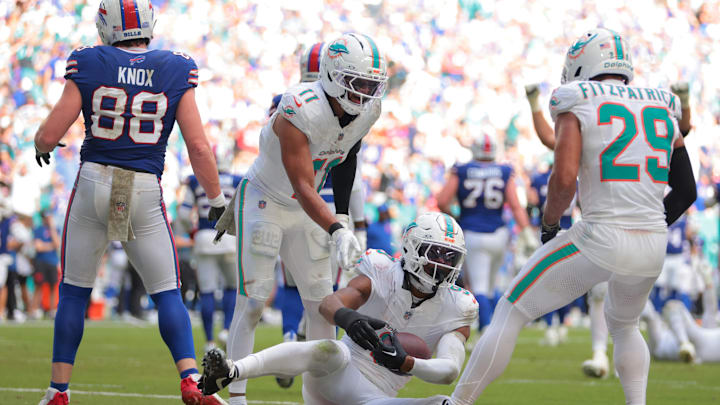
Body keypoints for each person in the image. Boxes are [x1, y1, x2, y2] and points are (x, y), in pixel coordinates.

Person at [449, 28, 696, 405]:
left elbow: (563, 181)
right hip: (653, 243)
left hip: (601, 235)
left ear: (582, 61)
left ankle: (458, 403)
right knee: (626, 325)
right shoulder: (662, 103)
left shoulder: (577, 98)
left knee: (511, 307)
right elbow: (687, 189)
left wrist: (550, 223)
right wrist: (648, 223)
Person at [33, 1, 227, 404]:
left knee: (73, 292)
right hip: (142, 187)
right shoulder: (175, 66)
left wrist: (41, 144)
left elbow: (51, 133)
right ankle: (191, 379)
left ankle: (58, 390)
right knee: (166, 292)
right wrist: (216, 198)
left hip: (92, 183)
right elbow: (198, 146)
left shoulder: (88, 60)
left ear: (105, 26)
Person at [212, 33, 387, 405]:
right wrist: (337, 227)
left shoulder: (368, 110)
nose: (365, 94)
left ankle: (321, 397)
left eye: (372, 85)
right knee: (254, 301)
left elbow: (346, 155)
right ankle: (237, 398)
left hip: (307, 208)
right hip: (266, 199)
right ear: (333, 76)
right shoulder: (297, 106)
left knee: (323, 303)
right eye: (358, 84)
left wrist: (342, 213)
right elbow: (303, 184)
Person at [201, 212, 477, 405]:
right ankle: (232, 371)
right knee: (330, 348)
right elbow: (330, 303)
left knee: (445, 403)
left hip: (376, 398)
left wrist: (406, 363)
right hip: (335, 375)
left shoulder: (458, 305)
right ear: (412, 248)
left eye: (451, 257)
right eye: (436, 254)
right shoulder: (383, 272)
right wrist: (351, 320)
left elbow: (449, 370)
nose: (444, 264)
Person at [524, 75, 693, 377]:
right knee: (625, 312)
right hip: (641, 234)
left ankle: (608, 353)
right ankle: (611, 360)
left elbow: (553, 146)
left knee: (611, 302)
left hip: (604, 228)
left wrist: (535, 105)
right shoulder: (650, 116)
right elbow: (679, 136)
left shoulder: (589, 115)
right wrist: (651, 222)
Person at [436, 133, 537, 335]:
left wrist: (457, 217)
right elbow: (515, 205)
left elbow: (442, 201)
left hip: (472, 232)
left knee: (479, 286)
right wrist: (526, 233)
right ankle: (490, 328)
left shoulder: (462, 169)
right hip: (498, 233)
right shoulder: (503, 170)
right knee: (490, 285)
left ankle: (487, 329)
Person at [179, 152, 242, 353]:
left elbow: (183, 213)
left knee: (207, 290)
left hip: (205, 236)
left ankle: (209, 342)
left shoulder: (195, 180)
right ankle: (225, 329)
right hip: (230, 238)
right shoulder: (237, 180)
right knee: (232, 287)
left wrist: (192, 230)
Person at [32, 210, 61, 319]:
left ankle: (53, 310)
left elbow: (57, 244)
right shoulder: (38, 229)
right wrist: (51, 245)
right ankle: (33, 310)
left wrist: (52, 228)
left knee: (53, 286)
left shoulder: (55, 229)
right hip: (41, 262)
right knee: (38, 286)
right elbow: (38, 246)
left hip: (52, 262)